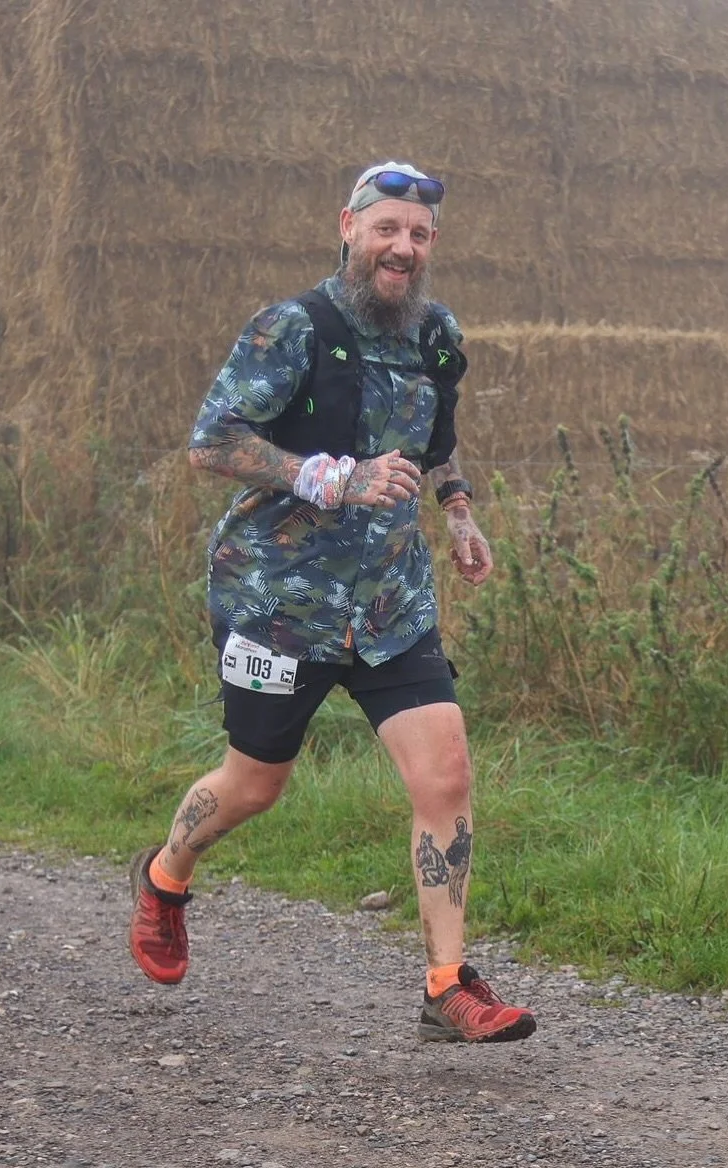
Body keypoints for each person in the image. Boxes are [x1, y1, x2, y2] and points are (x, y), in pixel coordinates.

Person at [127, 161, 536, 1044]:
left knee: (447, 774)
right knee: (254, 783)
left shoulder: (436, 335)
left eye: (420, 235)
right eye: (388, 228)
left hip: (391, 604)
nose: (404, 247)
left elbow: (437, 444)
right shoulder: (293, 328)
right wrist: (330, 476)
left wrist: (459, 513)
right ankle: (164, 878)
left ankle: (446, 983)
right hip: (280, 600)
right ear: (347, 228)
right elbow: (211, 443)